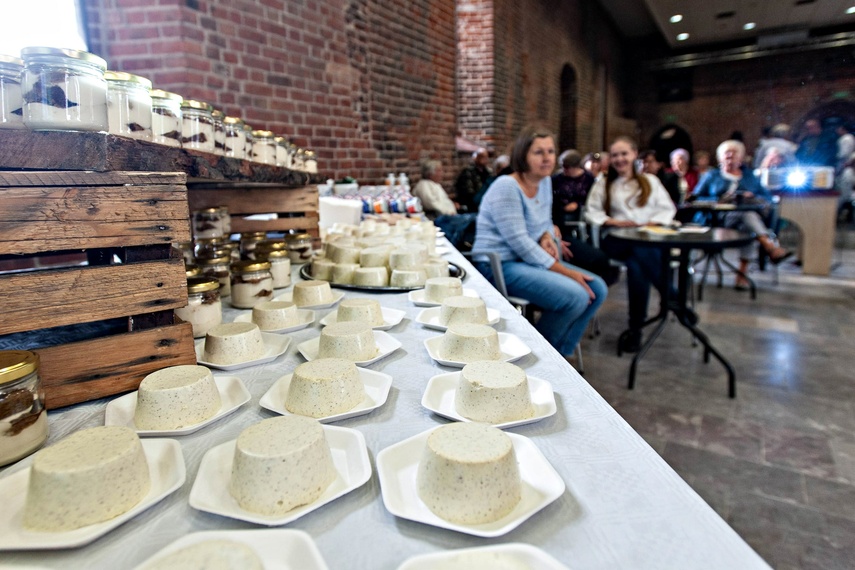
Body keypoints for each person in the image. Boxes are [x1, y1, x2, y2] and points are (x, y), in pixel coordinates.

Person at [471, 127, 607, 360]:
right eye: (538, 152)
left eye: (551, 151)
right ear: (523, 155)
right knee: (576, 296)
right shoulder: (506, 186)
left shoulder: (544, 183)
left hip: (524, 260)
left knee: (598, 289)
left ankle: (560, 352)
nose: (546, 158)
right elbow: (520, 242)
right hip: (497, 264)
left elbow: (544, 220)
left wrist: (545, 235)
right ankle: (539, 356)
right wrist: (566, 272)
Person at [585, 136, 678, 353]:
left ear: (634, 154)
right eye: (615, 155)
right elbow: (592, 211)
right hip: (618, 239)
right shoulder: (604, 183)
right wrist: (613, 221)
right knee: (640, 251)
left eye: (624, 154)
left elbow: (667, 209)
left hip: (647, 238)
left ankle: (635, 329)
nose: (619, 159)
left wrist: (650, 222)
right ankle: (672, 297)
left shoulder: (650, 181)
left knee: (638, 266)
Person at [692, 139, 793, 289]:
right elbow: (696, 197)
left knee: (748, 223)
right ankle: (770, 247)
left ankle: (741, 273)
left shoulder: (749, 176)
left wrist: (750, 196)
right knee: (748, 217)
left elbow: (767, 198)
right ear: (720, 157)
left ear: (740, 158)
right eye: (727, 154)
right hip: (718, 220)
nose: (730, 157)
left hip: (743, 221)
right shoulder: (712, 176)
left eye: (734, 154)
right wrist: (719, 199)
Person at [552, 149, 594, 223]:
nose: (564, 170)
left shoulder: (588, 179)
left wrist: (578, 204)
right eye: (562, 166)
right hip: (559, 212)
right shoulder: (556, 178)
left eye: (567, 167)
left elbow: (592, 198)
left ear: (576, 166)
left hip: (581, 212)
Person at [453, 147, 491, 213]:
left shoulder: (488, 172)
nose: (484, 159)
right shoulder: (468, 172)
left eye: (486, 157)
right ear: (476, 157)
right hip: (472, 205)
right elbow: (467, 192)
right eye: (481, 156)